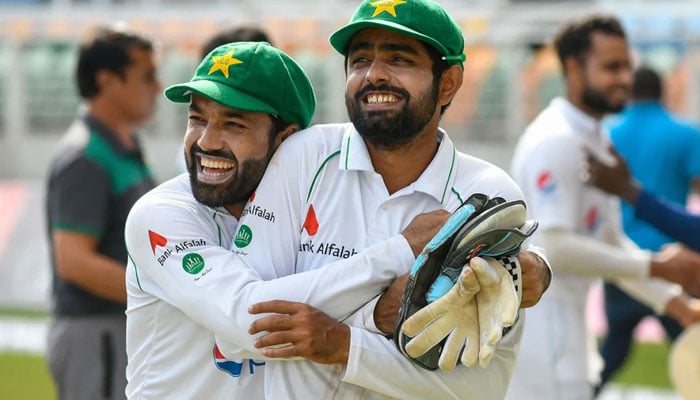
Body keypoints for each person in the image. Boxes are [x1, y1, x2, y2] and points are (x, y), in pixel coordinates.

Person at [125, 2, 552, 399]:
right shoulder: (299, 161)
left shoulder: (488, 195)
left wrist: (346, 343)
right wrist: (390, 283)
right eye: (360, 59)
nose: (374, 75)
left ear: (450, 82)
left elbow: (483, 386)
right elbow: (247, 328)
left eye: (399, 59)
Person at [506, 14, 700, 400]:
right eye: (611, 67)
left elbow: (611, 240)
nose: (624, 78)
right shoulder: (556, 140)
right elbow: (553, 248)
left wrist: (676, 305)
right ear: (574, 68)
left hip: (572, 343)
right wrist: (657, 265)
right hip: (543, 347)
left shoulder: (598, 139)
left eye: (626, 66)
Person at [45, 24, 161, 400]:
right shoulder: (85, 156)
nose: (157, 87)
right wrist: (160, 290)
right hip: (94, 335)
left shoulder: (122, 145)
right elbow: (74, 261)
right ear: (107, 80)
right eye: (147, 75)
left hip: (117, 329)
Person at [591, 65, 700, 392]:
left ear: (628, 92)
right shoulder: (684, 133)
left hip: (620, 255)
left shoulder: (606, 134)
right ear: (662, 91)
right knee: (691, 347)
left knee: (614, 349)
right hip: (675, 259)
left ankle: (581, 394)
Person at [586, 145, 700, 252]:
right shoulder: (687, 135)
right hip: (654, 251)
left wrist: (630, 190)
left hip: (624, 245)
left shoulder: (610, 133)